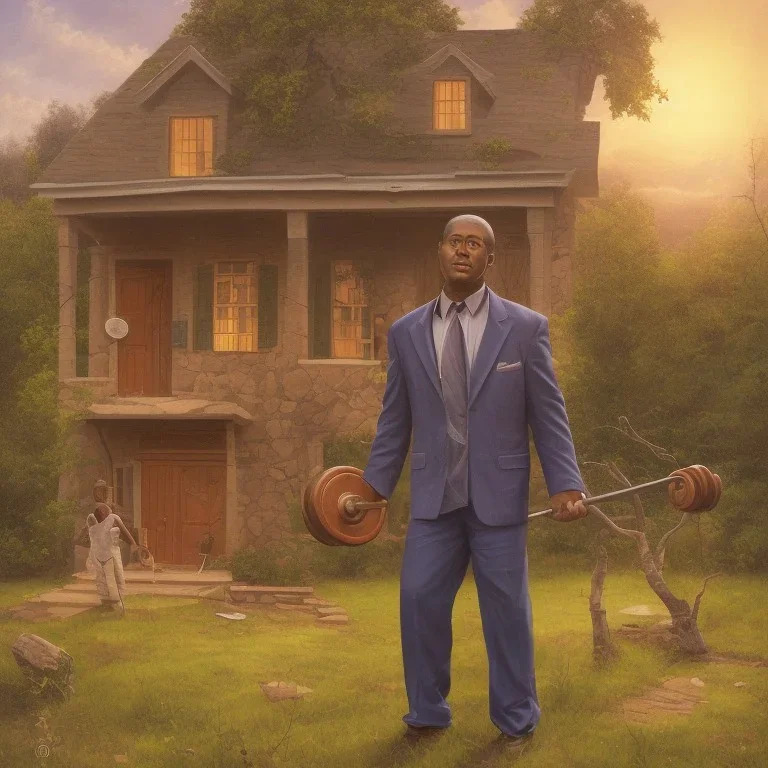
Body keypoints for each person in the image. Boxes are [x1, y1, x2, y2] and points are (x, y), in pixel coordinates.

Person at [361, 214, 588, 750]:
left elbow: (548, 415)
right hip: (434, 499)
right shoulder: (406, 332)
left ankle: (516, 720)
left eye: (475, 244)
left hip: (498, 498)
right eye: (455, 242)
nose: (463, 251)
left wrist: (566, 482)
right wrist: (372, 491)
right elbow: (395, 421)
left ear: (490, 257)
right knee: (417, 597)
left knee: (506, 609)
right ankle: (427, 712)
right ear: (439, 252)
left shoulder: (526, 327)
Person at [85, 481, 138, 616]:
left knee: (114, 578)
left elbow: (125, 532)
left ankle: (119, 607)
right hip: (98, 554)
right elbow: (92, 537)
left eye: (102, 491)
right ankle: (107, 604)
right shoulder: (92, 519)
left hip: (110, 554)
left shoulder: (113, 516)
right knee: (102, 580)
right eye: (97, 491)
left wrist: (134, 544)